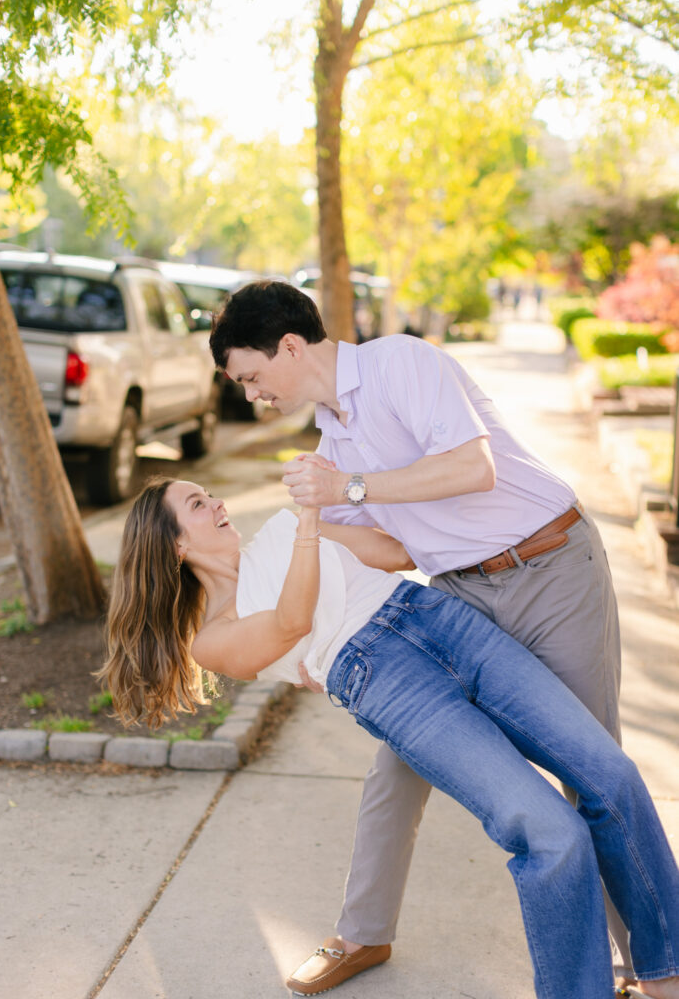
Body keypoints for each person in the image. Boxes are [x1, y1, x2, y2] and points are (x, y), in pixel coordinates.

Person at [98, 476, 679, 999]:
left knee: (613, 775)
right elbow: (290, 623)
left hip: (435, 616)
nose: (218, 502)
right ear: (175, 544)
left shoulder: (281, 528)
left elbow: (398, 554)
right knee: (551, 832)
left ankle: (664, 971)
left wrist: (355, 494)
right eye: (198, 504)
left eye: (209, 494)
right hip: (383, 681)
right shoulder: (213, 635)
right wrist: (308, 523)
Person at [208, 280, 633, 992]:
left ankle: (635, 959)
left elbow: (474, 467)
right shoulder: (331, 443)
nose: (252, 395)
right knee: (395, 771)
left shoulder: (398, 363)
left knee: (591, 767)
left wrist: (349, 488)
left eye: (250, 377)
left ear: (287, 347)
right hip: (458, 599)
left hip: (548, 567)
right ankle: (363, 933)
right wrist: (295, 645)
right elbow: (377, 552)